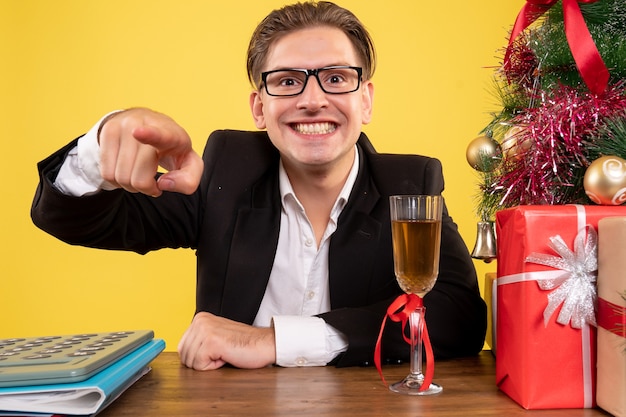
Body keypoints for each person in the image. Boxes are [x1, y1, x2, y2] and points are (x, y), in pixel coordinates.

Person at [31, 1, 486, 370]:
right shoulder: (224, 173)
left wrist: (276, 340)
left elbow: (458, 317)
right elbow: (75, 221)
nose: (312, 100)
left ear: (365, 99)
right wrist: (100, 147)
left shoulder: (409, 183)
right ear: (258, 108)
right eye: (287, 81)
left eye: (335, 78)